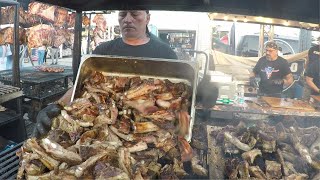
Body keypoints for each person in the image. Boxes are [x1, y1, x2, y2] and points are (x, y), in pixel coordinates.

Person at [34, 10, 203, 137]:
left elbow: (179, 100)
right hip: (103, 129)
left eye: (135, 14)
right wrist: (57, 105)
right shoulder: (103, 50)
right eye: (123, 15)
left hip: (150, 130)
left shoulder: (164, 53)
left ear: (148, 18)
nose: (128, 19)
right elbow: (81, 85)